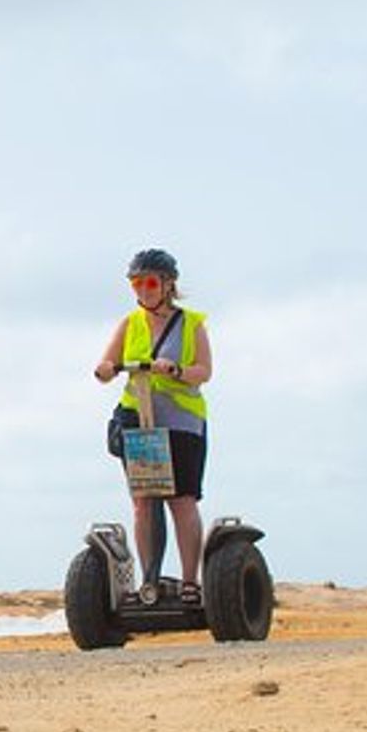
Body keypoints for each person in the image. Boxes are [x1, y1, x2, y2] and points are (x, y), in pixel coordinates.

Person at [92, 249, 213, 597]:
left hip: (181, 423)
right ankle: (150, 582)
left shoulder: (191, 324)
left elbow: (204, 371)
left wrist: (176, 370)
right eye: (136, 283)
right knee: (143, 501)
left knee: (182, 501)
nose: (142, 290)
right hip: (140, 422)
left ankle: (190, 582)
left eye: (149, 283)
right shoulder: (130, 323)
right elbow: (106, 364)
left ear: (167, 284)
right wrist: (105, 369)